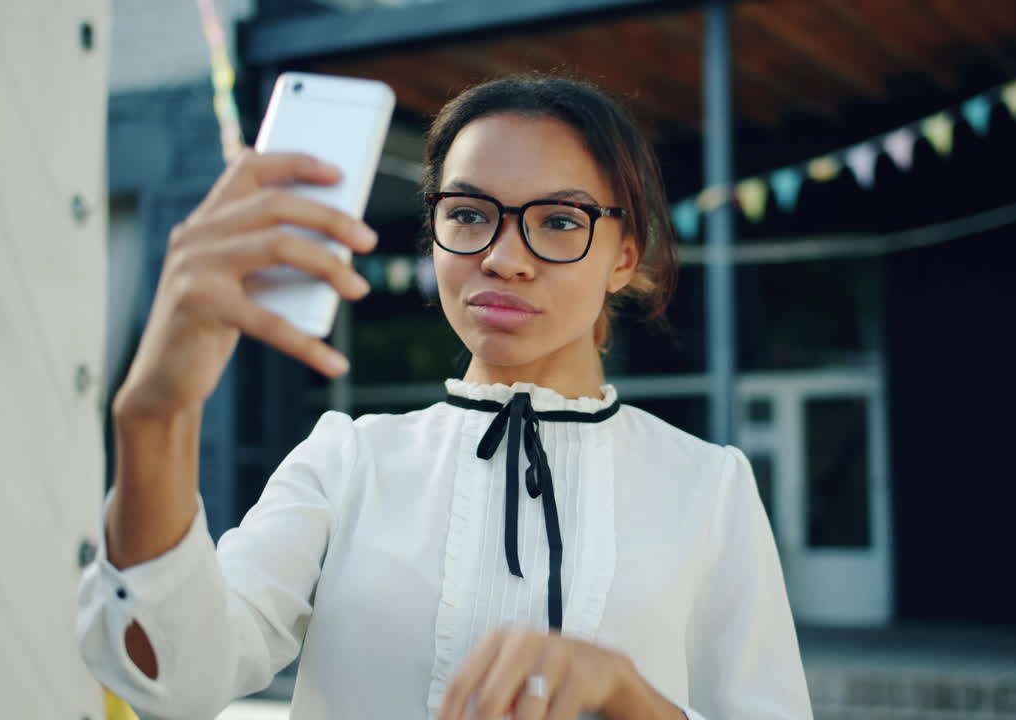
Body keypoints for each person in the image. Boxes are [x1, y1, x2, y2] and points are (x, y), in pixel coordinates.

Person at [77, 74, 812, 720]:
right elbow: (176, 680)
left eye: (560, 221)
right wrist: (153, 419)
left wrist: (625, 694)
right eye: (467, 213)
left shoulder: (707, 486)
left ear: (624, 255)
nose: (503, 257)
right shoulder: (349, 459)